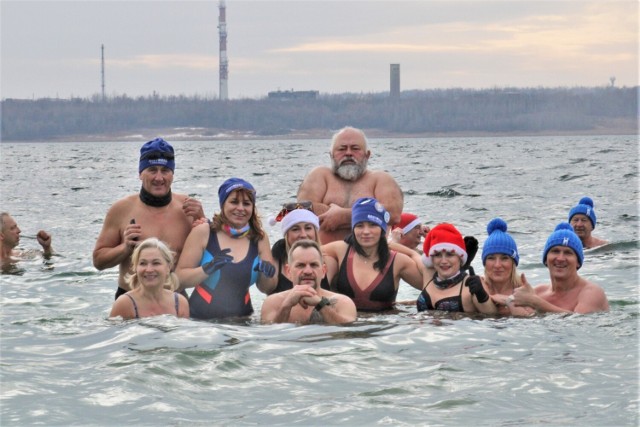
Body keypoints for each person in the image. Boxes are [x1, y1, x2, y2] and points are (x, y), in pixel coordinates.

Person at [93, 138, 206, 300]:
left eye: (165, 170)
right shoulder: (121, 209)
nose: (159, 178)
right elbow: (98, 261)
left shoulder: (188, 209)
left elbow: (212, 263)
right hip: (131, 301)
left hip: (176, 301)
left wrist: (203, 221)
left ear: (172, 174)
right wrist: (125, 248)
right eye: (152, 170)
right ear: (140, 173)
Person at [176, 178, 277, 320]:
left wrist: (267, 275)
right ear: (223, 204)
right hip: (200, 322)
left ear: (252, 208)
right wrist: (208, 268)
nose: (241, 208)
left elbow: (267, 288)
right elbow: (179, 279)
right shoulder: (204, 232)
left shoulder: (259, 237)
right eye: (234, 202)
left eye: (247, 204)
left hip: (243, 322)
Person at [296, 126, 403, 244]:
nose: (348, 153)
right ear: (331, 155)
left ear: (367, 155)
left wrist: (344, 216)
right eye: (342, 149)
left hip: (371, 257)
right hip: (323, 255)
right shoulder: (320, 175)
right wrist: (370, 214)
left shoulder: (381, 179)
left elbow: (393, 214)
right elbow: (302, 209)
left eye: (355, 149)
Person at [322, 197, 426, 311]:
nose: (366, 231)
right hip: (345, 325)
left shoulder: (398, 261)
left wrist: (413, 254)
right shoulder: (340, 250)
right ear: (353, 229)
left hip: (385, 325)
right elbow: (306, 252)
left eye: (372, 225)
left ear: (382, 229)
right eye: (360, 225)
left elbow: (432, 287)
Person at [510, 222, 609, 314]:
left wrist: (535, 303)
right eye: (555, 251)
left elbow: (578, 323)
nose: (560, 258)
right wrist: (507, 301)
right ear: (545, 259)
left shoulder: (592, 293)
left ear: (578, 262)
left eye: (568, 253)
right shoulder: (537, 293)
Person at [261, 239, 357, 324]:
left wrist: (321, 305)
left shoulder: (343, 303)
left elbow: (346, 334)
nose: (308, 271)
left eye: (314, 265)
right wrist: (287, 305)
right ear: (288, 271)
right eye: (300, 265)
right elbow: (271, 335)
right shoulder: (272, 303)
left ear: (323, 271)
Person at [417, 223, 497, 314]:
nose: (443, 261)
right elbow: (411, 254)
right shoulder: (429, 274)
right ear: (431, 259)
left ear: (460, 257)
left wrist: (482, 296)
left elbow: (492, 317)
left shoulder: (472, 285)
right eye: (438, 255)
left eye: (450, 254)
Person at [109, 237, 189, 320]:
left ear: (168, 267)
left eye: (156, 263)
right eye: (143, 263)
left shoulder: (180, 303)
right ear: (136, 268)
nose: (149, 269)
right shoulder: (125, 304)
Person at [269, 203, 330, 293]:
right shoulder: (275, 261)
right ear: (287, 234)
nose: (303, 235)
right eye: (295, 229)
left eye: (308, 228)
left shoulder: (329, 260)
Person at [481, 218, 534, 317]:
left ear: (513, 263)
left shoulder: (523, 290)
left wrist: (508, 301)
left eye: (504, 258)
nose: (497, 265)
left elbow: (528, 318)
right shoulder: (479, 286)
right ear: (485, 263)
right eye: (491, 258)